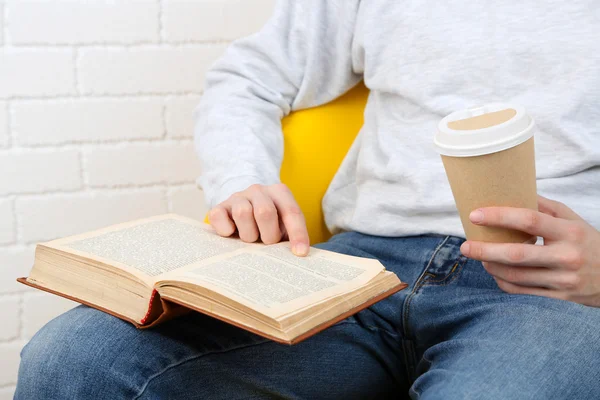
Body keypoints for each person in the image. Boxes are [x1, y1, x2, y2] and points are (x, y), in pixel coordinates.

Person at [15, 1, 600, 399]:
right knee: (73, 359)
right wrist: (241, 180)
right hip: (354, 271)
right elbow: (248, 77)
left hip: (551, 290)